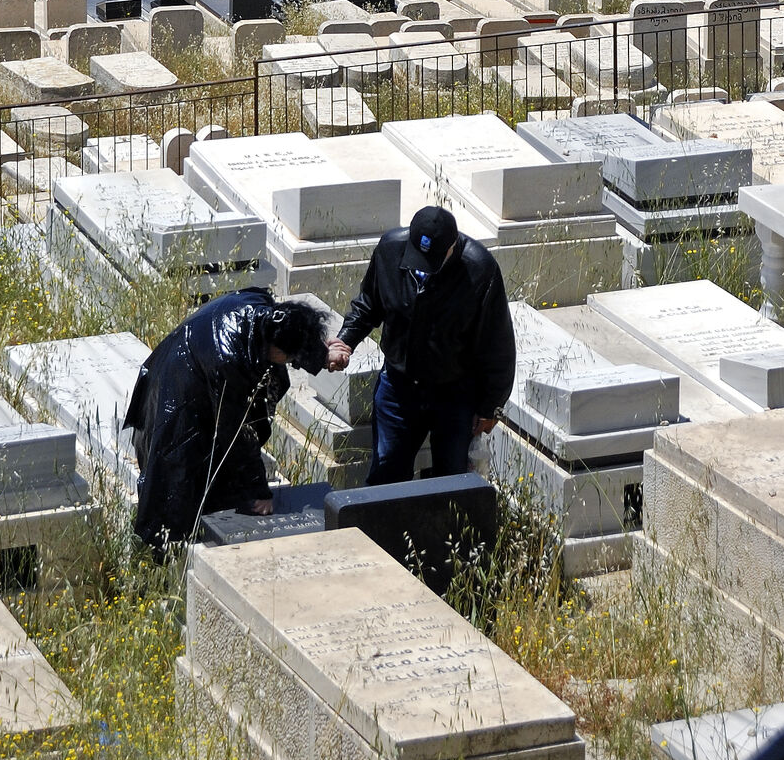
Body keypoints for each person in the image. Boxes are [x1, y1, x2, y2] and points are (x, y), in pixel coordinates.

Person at [125, 289, 331, 554]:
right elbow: (237, 430)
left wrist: (320, 356)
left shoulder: (265, 311)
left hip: (199, 362)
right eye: (289, 358)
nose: (290, 364)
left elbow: (293, 334)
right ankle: (168, 551)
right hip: (178, 389)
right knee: (178, 475)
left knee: (219, 468)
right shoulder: (229, 360)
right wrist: (259, 490)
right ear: (276, 348)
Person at [326, 205, 514, 485]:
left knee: (452, 479)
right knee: (386, 472)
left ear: (453, 246)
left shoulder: (480, 270)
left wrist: (491, 406)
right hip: (399, 387)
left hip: (455, 391)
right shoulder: (390, 250)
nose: (422, 267)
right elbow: (368, 305)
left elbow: (497, 345)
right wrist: (345, 341)